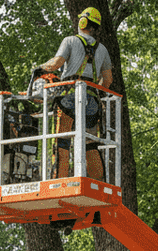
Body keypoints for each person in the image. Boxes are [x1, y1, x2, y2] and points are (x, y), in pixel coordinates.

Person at [37, 6, 113, 180]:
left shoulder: (70, 41)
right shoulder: (102, 50)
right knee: (90, 144)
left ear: (83, 22)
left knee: (62, 140)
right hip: (92, 102)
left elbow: (56, 64)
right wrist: (94, 92)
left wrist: (40, 69)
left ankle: (58, 180)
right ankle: (97, 181)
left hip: (69, 99)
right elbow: (107, 80)